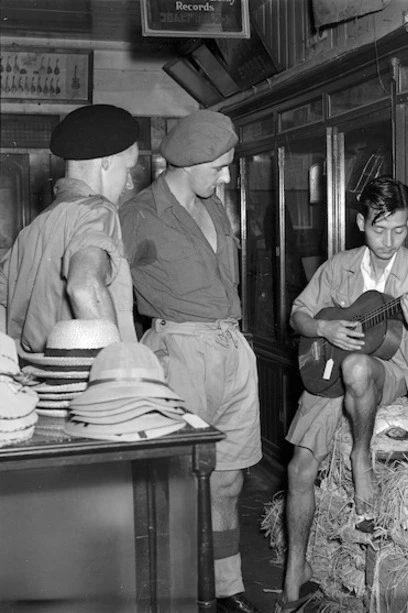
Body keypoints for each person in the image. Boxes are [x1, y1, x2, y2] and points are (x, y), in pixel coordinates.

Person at [277, 176, 408, 613]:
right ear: (361, 222)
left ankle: (360, 459)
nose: (390, 240)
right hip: (328, 368)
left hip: (394, 372)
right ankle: (294, 575)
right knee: (300, 468)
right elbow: (299, 315)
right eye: (380, 229)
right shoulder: (338, 267)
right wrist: (324, 327)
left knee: (359, 364)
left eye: (400, 229)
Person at [119, 110, 262, 613]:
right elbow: (110, 287)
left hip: (231, 348)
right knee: (178, 480)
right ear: (189, 161)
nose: (225, 177)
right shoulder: (137, 215)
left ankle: (227, 588)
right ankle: (175, 592)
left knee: (229, 478)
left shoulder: (215, 207)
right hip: (178, 352)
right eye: (219, 167)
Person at [0, 104, 139, 349]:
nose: (129, 184)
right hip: (88, 376)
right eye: (128, 169)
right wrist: (116, 368)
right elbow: (84, 288)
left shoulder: (36, 226)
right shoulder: (98, 211)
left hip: (40, 376)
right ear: (106, 161)